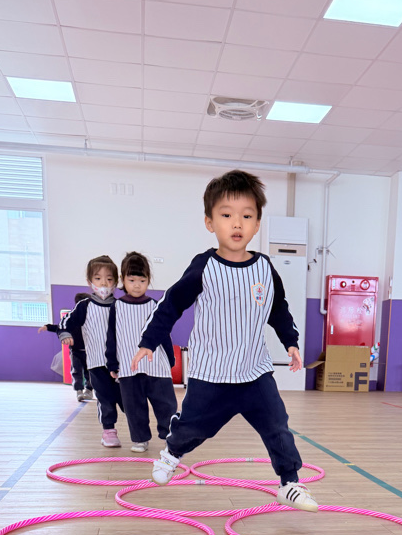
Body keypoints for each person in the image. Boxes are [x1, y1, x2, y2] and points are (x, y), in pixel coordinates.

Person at [131, 169, 317, 511]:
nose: (237, 223)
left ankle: (289, 482)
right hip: (211, 374)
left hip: (254, 371)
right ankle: (171, 452)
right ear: (210, 222)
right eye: (227, 215)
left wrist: (291, 341)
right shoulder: (204, 267)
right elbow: (171, 304)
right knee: (195, 428)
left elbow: (277, 308)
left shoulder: (265, 268)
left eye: (246, 216)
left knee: (277, 426)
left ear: (257, 224)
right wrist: (149, 340)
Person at [106, 252, 177, 453]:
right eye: (132, 280)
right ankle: (140, 439)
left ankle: (170, 437)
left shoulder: (155, 306)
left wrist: (170, 359)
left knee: (166, 405)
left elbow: (163, 334)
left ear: (148, 280)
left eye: (142, 280)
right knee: (134, 407)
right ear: (123, 280)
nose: (137, 285)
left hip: (157, 366)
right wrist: (112, 363)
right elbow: (111, 337)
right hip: (129, 367)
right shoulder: (117, 307)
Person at [60, 255, 123, 447]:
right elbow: (67, 321)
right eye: (98, 278)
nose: (104, 283)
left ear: (116, 281)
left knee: (127, 399)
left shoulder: (120, 305)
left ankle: (139, 431)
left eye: (109, 279)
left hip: (120, 364)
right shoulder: (85, 306)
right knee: (104, 398)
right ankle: (108, 431)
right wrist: (64, 333)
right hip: (96, 363)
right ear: (89, 281)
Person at [39, 292, 93, 402]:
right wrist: (48, 327)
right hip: (76, 350)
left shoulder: (91, 318)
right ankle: (79, 391)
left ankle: (88, 390)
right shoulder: (72, 318)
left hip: (90, 351)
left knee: (90, 371)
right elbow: (60, 327)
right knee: (76, 371)